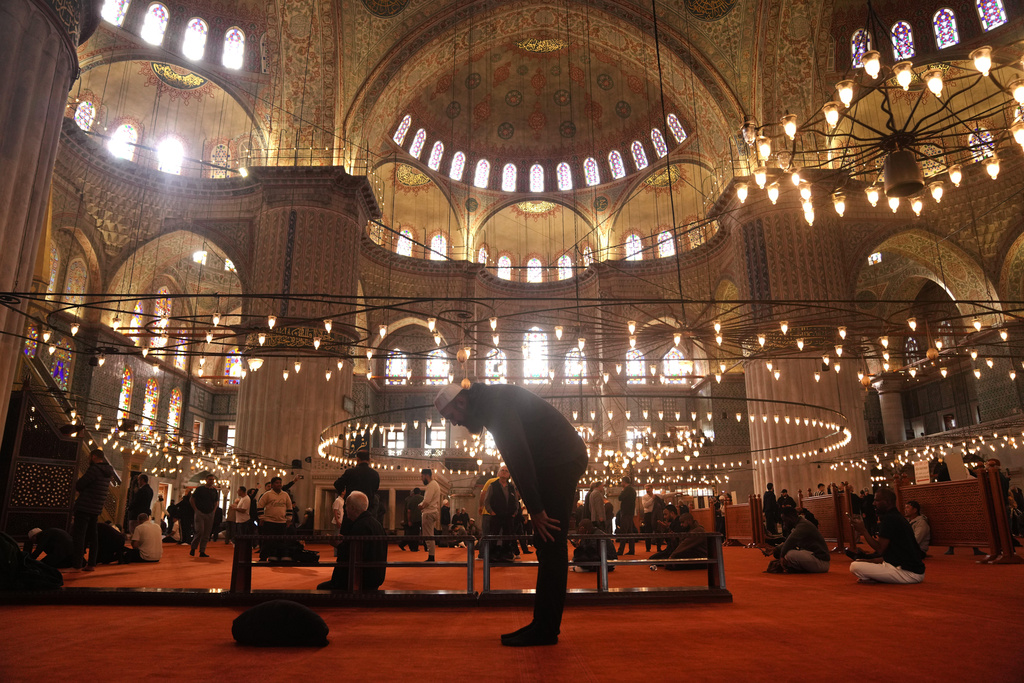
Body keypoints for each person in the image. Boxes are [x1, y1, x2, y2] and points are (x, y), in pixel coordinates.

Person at [436, 382, 587, 647]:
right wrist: (535, 505)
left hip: (561, 459)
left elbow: (519, 457)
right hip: (552, 460)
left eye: (451, 417)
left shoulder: (495, 404)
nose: (455, 423)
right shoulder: (488, 403)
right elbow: (517, 460)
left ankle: (547, 629)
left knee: (551, 540)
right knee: (545, 543)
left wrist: (537, 510)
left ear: (461, 403)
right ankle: (542, 623)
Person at [849, 488, 925, 584]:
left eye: (877, 500)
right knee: (860, 562)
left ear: (887, 502)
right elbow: (893, 553)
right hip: (907, 568)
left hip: (908, 572)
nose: (873, 503)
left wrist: (863, 530)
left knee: (854, 566)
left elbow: (880, 549)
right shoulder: (895, 516)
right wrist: (872, 560)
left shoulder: (890, 519)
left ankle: (879, 578)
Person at [317, 491, 387, 592]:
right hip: (376, 577)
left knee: (320, 589)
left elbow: (354, 555)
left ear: (353, 508)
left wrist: (338, 545)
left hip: (361, 579)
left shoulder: (360, 526)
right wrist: (345, 541)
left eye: (347, 506)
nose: (346, 509)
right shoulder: (376, 524)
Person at [71, 449, 119, 571]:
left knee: (79, 536)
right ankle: (91, 563)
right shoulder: (108, 472)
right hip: (96, 508)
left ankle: (76, 564)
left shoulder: (95, 469)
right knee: (93, 536)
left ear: (93, 457)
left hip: (84, 506)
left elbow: (80, 484)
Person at [770, 508, 829, 573]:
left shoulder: (803, 525)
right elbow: (790, 543)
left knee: (790, 555)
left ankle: (789, 566)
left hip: (821, 562)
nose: (784, 523)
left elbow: (790, 541)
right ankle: (791, 567)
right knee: (785, 553)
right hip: (814, 557)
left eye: (785, 520)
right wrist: (775, 549)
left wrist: (781, 556)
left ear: (791, 517)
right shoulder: (798, 524)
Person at [333, 446, 380, 527]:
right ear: (369, 460)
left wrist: (344, 494)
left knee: (349, 535)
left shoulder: (350, 472)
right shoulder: (375, 474)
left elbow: (337, 484)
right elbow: (375, 489)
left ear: (357, 459)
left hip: (351, 511)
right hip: (368, 511)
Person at [485, 464, 518, 562]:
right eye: (502, 470)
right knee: (494, 535)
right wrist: (491, 511)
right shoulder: (493, 485)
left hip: (509, 516)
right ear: (498, 473)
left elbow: (516, 501)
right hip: (496, 515)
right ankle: (493, 555)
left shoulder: (511, 487)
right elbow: (487, 501)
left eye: (506, 471)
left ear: (509, 475)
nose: (504, 472)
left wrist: (515, 512)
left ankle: (506, 554)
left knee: (508, 535)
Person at [258, 477, 294, 561]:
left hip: (281, 522)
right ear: (272, 485)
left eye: (280, 483)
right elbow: (260, 506)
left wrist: (289, 519)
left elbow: (289, 507)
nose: (279, 484)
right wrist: (261, 518)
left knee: (281, 541)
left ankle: (278, 556)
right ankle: (263, 557)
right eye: (277, 483)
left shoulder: (285, 495)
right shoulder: (267, 494)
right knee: (268, 540)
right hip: (269, 521)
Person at [190, 473, 219, 558]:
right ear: (206, 480)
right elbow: (192, 499)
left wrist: (213, 511)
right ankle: (193, 547)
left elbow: (216, 502)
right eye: (210, 479)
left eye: (213, 480)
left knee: (207, 533)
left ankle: (202, 551)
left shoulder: (214, 491)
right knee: (200, 531)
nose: (212, 481)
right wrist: (196, 509)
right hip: (200, 513)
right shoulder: (200, 489)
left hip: (210, 513)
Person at [419, 468, 441, 562]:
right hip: (433, 511)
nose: (421, 478)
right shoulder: (435, 484)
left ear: (426, 475)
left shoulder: (431, 485)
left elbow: (427, 501)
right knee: (429, 535)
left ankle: (431, 556)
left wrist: (420, 506)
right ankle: (431, 555)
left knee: (428, 536)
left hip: (429, 512)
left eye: (422, 476)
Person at [616, 476, 637, 555]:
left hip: (626, 513)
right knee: (630, 532)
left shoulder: (627, 489)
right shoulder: (632, 490)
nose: (621, 484)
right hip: (630, 513)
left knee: (623, 532)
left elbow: (620, 498)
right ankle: (632, 550)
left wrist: (622, 491)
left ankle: (620, 550)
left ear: (624, 482)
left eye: (622, 482)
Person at [402, 487, 423, 552]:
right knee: (425, 533)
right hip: (422, 518)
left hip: (414, 519)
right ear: (420, 492)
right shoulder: (423, 498)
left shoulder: (410, 499)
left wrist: (409, 521)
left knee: (415, 534)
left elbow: (408, 511)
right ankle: (426, 547)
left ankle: (414, 548)